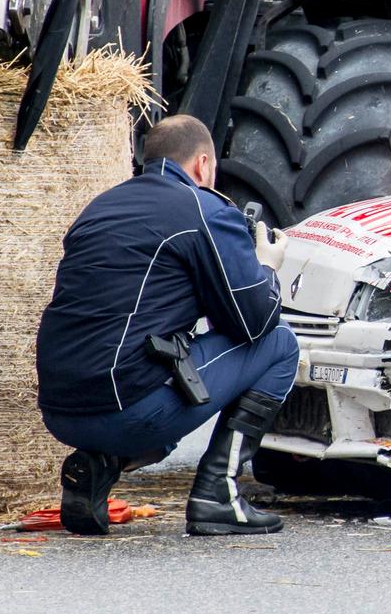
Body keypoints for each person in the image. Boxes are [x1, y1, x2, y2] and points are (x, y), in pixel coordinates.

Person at [35, 115, 299, 536]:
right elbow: (255, 322)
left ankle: (103, 465)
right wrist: (267, 266)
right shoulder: (204, 208)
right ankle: (219, 496)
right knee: (281, 343)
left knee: (171, 361)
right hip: (128, 410)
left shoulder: (100, 206)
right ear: (202, 164)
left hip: (60, 411)